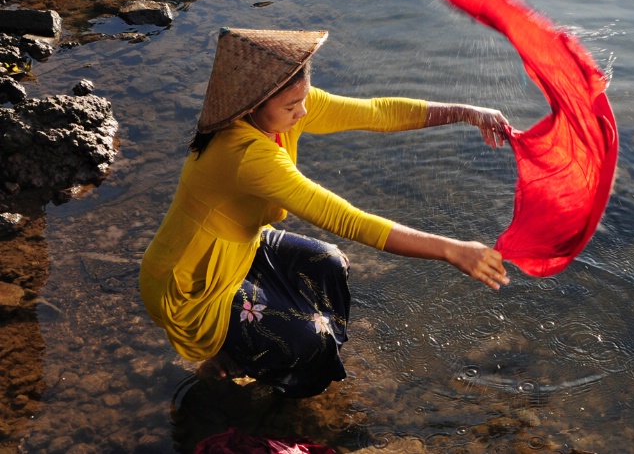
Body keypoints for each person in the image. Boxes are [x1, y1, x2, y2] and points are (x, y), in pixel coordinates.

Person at [139, 28, 511, 398]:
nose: (302, 112)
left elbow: (378, 113)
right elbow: (347, 219)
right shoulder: (245, 155)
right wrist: (451, 249)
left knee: (329, 263)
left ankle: (243, 355)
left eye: (302, 99)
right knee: (309, 341)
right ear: (250, 105)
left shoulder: (280, 113)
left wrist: (466, 112)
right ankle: (244, 360)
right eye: (290, 107)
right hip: (191, 281)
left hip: (239, 248)